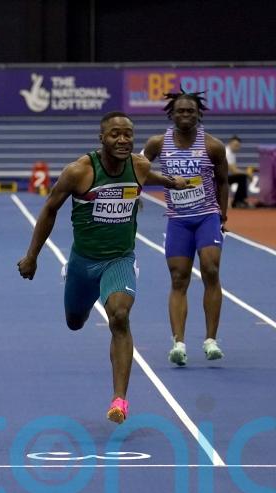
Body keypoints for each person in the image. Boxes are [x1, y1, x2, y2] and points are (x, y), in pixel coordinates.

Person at [17, 111, 187, 424]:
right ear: (102, 138)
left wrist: (170, 183)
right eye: (115, 134)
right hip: (83, 262)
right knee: (74, 321)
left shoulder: (139, 165)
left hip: (120, 259)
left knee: (120, 317)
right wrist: (32, 256)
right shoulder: (79, 171)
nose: (123, 140)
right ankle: (73, 282)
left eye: (128, 134)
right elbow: (50, 209)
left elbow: (150, 177)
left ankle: (119, 400)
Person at [143, 89, 229, 366]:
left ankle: (210, 340)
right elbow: (137, 168)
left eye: (190, 111)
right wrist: (134, 195)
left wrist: (222, 216)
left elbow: (223, 181)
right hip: (178, 219)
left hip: (207, 216)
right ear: (172, 114)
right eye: (180, 110)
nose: (185, 115)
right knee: (179, 278)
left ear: (198, 114)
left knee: (211, 269)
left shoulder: (213, 146)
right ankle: (178, 343)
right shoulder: (158, 143)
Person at [225, 135, 250, 208]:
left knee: (241, 177)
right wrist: (248, 173)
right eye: (235, 145)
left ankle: (238, 200)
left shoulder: (232, 153)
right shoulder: (227, 153)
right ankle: (238, 201)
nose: (237, 147)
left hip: (224, 176)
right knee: (242, 177)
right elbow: (234, 171)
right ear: (230, 144)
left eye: (238, 145)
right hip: (218, 178)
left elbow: (234, 170)